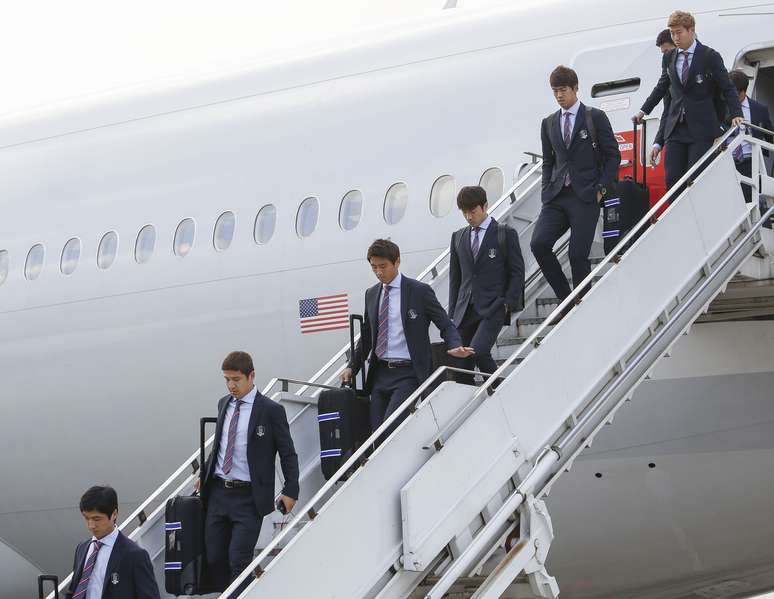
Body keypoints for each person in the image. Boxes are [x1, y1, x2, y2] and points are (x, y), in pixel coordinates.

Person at [342, 239, 473, 430]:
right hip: (380, 373)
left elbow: (444, 322)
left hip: (408, 373)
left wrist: (454, 344)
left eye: (383, 266)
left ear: (397, 262)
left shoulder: (419, 291)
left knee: (390, 428)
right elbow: (367, 336)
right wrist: (351, 367)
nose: (378, 272)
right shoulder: (371, 294)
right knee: (375, 434)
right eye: (374, 267)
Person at [198, 351, 299, 595]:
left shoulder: (270, 410)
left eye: (236, 379)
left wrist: (291, 489)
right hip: (219, 494)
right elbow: (220, 445)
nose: (231, 385)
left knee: (239, 561)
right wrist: (203, 476)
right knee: (214, 559)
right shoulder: (224, 404)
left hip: (248, 498)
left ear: (251, 376)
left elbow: (287, 453)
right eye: (227, 380)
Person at [530, 65, 620, 303]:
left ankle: (582, 302)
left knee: (577, 255)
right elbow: (548, 161)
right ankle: (567, 300)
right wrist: (546, 191)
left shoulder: (594, 117)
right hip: (557, 196)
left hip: (586, 195)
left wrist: (601, 188)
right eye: (555, 91)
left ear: (575, 88)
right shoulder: (548, 123)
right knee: (539, 244)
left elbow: (613, 156)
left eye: (563, 90)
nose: (559, 95)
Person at [634, 10, 743, 191]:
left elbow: (727, 87)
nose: (675, 37)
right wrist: (644, 110)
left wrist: (736, 114)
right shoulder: (669, 57)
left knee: (695, 179)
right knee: (672, 181)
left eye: (679, 32)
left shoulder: (710, 56)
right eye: (672, 33)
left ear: (691, 30)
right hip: (676, 128)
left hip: (701, 128)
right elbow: (661, 87)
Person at [448, 186, 525, 385]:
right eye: (464, 212)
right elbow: (455, 279)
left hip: (494, 306)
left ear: (485, 206)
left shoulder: (504, 234)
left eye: (472, 211)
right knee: (460, 364)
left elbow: (517, 271)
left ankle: (501, 390)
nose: (468, 217)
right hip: (465, 309)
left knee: (478, 350)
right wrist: (451, 314)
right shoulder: (458, 237)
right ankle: (470, 400)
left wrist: (508, 303)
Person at [64, 486, 160, 599]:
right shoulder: (82, 548)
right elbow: (74, 590)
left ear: (114, 514)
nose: (91, 525)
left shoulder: (135, 555)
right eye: (86, 518)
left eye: (97, 519)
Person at [727, 69, 773, 203]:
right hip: (727, 161)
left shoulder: (760, 109)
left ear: (743, 91)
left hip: (749, 161)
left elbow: (769, 134)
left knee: (749, 201)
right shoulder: (721, 106)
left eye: (733, 93)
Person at [650, 29, 677, 165]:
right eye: (663, 53)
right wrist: (657, 144)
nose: (665, 56)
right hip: (677, 137)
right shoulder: (669, 81)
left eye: (667, 51)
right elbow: (667, 111)